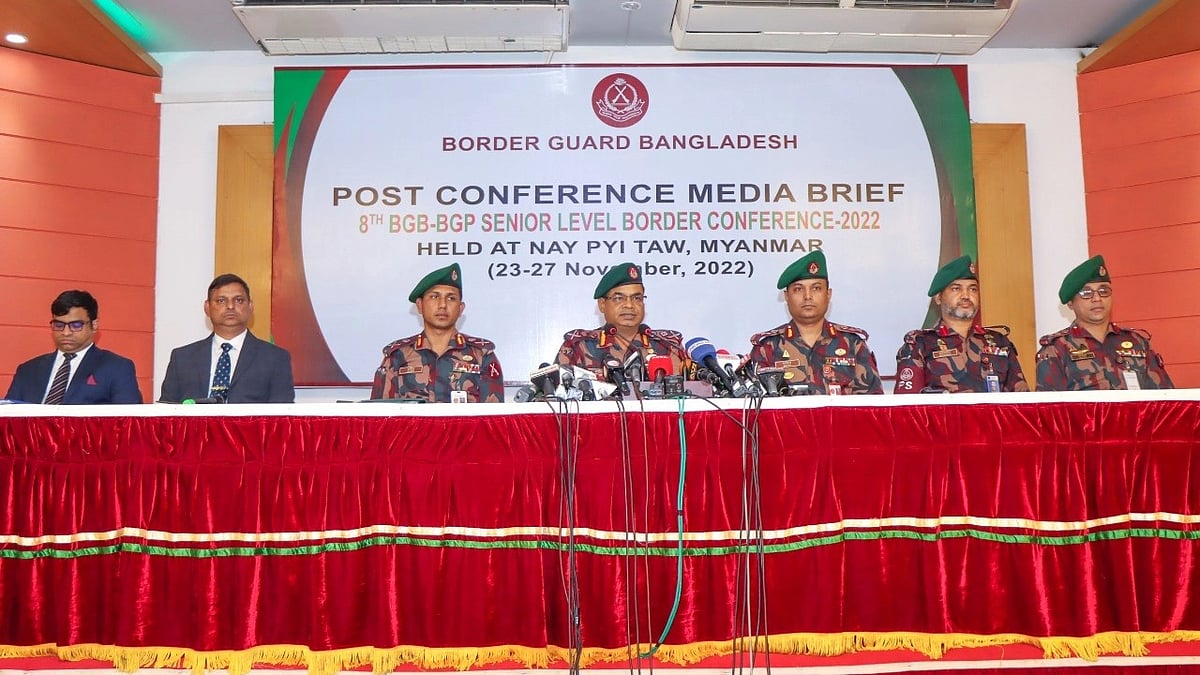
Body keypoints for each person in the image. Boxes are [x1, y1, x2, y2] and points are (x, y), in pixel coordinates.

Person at [747, 250, 882, 394]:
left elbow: (873, 409)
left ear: (828, 294)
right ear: (787, 296)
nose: (808, 296)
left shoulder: (853, 345)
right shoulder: (766, 348)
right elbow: (756, 410)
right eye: (798, 289)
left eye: (816, 288)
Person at [1036, 255, 1173, 391]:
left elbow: (1165, 400)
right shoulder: (1057, 349)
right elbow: (1049, 409)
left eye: (1103, 291)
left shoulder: (1138, 343)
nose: (1097, 298)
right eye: (1086, 293)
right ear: (1071, 303)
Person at [371, 263, 504, 402]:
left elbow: (494, 419)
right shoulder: (397, 356)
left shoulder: (482, 355)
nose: (442, 305)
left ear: (460, 308)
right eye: (434, 297)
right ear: (420, 305)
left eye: (451, 298)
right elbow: (379, 418)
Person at [894, 255, 1027, 394]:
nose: (966, 296)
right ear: (938, 297)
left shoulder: (999, 342)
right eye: (956, 289)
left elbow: (1021, 402)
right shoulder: (920, 344)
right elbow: (908, 408)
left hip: (994, 416)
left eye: (973, 289)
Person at [160, 273, 295, 403]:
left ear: (250, 306)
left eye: (239, 300)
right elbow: (165, 416)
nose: (230, 306)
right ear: (207, 308)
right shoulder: (182, 359)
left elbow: (281, 419)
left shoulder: (276, 359)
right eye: (221, 301)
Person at [555, 262, 689, 380]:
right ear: (602, 304)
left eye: (637, 298)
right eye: (619, 298)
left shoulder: (669, 346)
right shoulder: (578, 346)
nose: (629, 305)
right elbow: (555, 396)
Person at [5, 290, 142, 404]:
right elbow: (8, 421)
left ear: (94, 325)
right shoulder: (28, 370)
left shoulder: (117, 368)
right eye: (59, 325)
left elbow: (128, 425)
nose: (66, 332)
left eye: (76, 325)